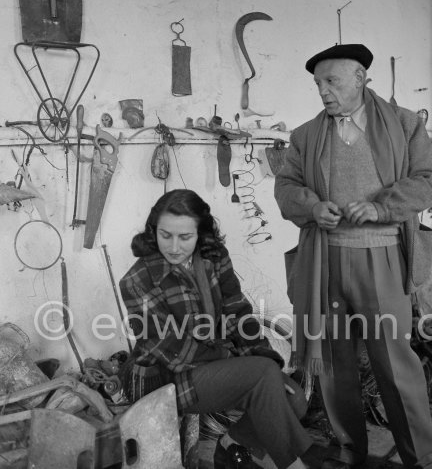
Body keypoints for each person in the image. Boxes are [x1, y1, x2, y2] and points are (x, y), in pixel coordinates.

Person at [274, 44, 432, 469]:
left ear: (361, 79)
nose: (323, 92)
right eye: (318, 84)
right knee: (333, 366)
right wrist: (313, 207)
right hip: (325, 263)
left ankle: (422, 458)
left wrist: (382, 206)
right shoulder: (305, 136)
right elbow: (285, 188)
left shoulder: (404, 125)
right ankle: (351, 451)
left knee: (396, 366)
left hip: (382, 259)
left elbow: (429, 180)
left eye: (331, 81)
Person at [119, 189, 317, 469]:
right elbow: (172, 349)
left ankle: (230, 445)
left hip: (212, 362)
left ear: (200, 233)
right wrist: (240, 361)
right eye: (165, 235)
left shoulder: (214, 257)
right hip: (166, 378)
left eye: (185, 237)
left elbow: (237, 311)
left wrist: (264, 358)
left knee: (294, 398)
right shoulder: (137, 279)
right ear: (154, 231)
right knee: (262, 375)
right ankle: (294, 465)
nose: (174, 246)